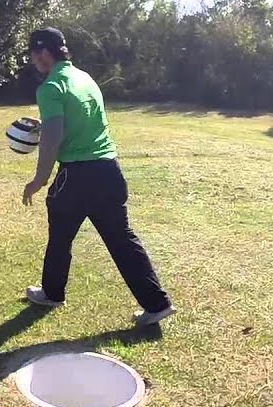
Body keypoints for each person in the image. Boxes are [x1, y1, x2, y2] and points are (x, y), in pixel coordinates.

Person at [21, 27, 175, 326]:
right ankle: (157, 304)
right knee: (122, 239)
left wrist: (39, 179)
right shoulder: (84, 78)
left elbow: (53, 136)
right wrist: (48, 123)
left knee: (60, 237)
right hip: (109, 171)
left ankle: (52, 294)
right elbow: (80, 118)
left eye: (33, 54)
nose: (33, 61)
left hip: (77, 176)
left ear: (42, 52)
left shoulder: (50, 87)